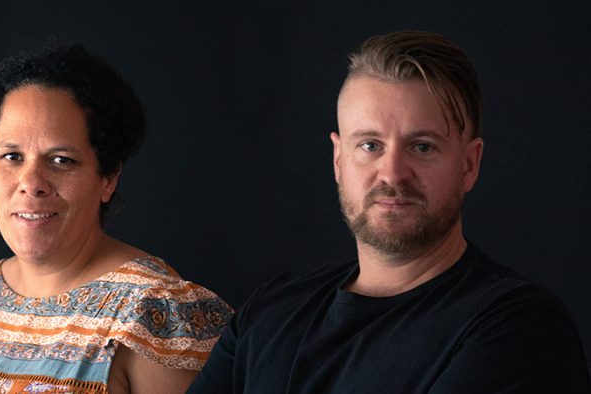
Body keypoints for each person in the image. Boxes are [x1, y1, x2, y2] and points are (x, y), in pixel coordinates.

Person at [188, 31, 591, 393]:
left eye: (422, 146)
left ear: (470, 165)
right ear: (338, 160)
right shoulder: (271, 312)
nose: (393, 173)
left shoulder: (517, 328)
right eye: (370, 145)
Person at [0, 41, 233, 393]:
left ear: (108, 177)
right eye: (11, 156)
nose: (31, 184)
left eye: (61, 160)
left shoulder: (150, 312)